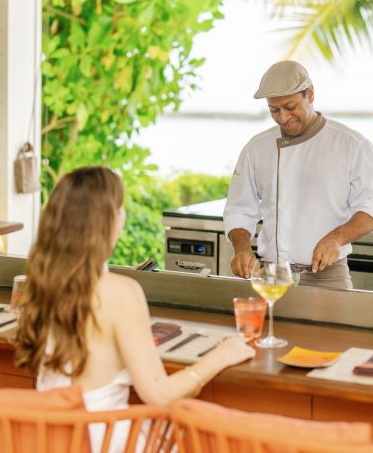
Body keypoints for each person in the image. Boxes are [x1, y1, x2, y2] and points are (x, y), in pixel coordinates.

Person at [15, 167, 254, 451]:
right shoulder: (121, 292)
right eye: (120, 209)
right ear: (108, 221)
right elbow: (159, 395)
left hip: (50, 441)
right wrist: (221, 355)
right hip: (101, 443)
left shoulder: (39, 283)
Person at [223, 61, 373, 290]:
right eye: (274, 110)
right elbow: (239, 209)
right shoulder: (256, 148)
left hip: (328, 275)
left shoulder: (351, 144)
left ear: (310, 94)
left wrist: (336, 239)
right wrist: (242, 248)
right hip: (272, 275)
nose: (283, 117)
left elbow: (372, 209)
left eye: (290, 107)